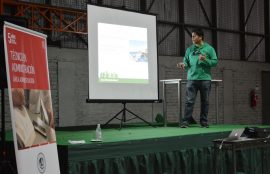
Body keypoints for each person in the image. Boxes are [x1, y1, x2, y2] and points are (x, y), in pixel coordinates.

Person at [177, 28, 218, 128]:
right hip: (192, 79)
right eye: (192, 36)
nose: (192, 38)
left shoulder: (209, 48)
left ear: (200, 37)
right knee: (189, 101)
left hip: (205, 79)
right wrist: (183, 65)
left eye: (194, 36)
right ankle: (186, 122)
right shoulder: (189, 49)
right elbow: (186, 62)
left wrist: (206, 59)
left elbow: (215, 62)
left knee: (205, 102)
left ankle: (203, 122)